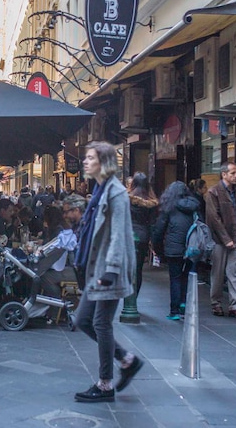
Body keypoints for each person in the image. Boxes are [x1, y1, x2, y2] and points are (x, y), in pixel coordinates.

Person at [72, 141, 143, 403]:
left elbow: (119, 235)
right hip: (96, 267)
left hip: (108, 269)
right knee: (83, 321)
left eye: (90, 158)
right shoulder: (100, 190)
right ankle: (127, 360)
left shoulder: (115, 193)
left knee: (100, 323)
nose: (85, 162)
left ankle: (105, 384)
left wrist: (111, 271)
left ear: (103, 162)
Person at [153, 181, 200, 320]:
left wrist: (158, 249)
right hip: (192, 247)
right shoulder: (194, 206)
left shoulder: (168, 207)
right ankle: (184, 304)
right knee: (186, 276)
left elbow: (159, 230)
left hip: (173, 248)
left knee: (175, 278)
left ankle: (174, 310)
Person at [205, 162, 236, 319]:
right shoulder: (213, 192)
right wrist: (225, 239)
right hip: (219, 239)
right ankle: (216, 303)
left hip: (234, 236)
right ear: (224, 174)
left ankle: (235, 305)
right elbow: (213, 218)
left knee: (234, 272)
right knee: (218, 272)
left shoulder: (235, 192)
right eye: (233, 173)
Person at [38, 201, 79, 321]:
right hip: (70, 267)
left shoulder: (59, 230)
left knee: (44, 277)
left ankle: (55, 307)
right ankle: (53, 308)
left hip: (71, 270)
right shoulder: (62, 228)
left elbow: (55, 249)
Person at [128, 172, 158, 295]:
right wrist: (153, 242)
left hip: (128, 235)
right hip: (143, 236)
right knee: (138, 269)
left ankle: (128, 299)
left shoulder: (127, 199)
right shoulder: (151, 203)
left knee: (128, 268)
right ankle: (134, 298)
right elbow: (152, 224)